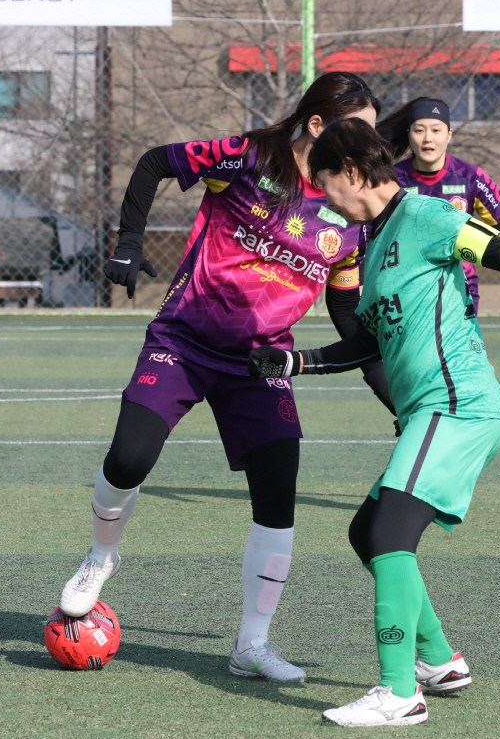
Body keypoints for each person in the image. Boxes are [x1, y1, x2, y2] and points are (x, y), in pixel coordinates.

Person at [248, 118, 500, 726]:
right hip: (432, 412)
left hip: (457, 406)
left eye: (325, 181)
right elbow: (372, 344)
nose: (322, 195)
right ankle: (437, 662)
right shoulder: (375, 244)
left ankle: (398, 693)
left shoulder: (424, 216)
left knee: (388, 538)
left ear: (352, 171)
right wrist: (295, 361)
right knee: (367, 534)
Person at [57, 72, 387, 683]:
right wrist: (129, 243)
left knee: (278, 495)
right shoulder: (249, 157)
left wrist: (386, 386)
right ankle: (100, 558)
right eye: (357, 131)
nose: (369, 146)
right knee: (129, 457)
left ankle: (251, 646)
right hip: (183, 340)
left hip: (261, 362)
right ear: (318, 126)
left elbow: (347, 309)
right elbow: (157, 161)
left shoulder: (350, 212)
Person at [377, 97, 500, 314]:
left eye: (436, 130)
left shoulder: (471, 177)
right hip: (405, 288)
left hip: (459, 289)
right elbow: (372, 234)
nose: (428, 138)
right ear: (409, 134)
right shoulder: (391, 180)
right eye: (419, 130)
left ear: (449, 134)